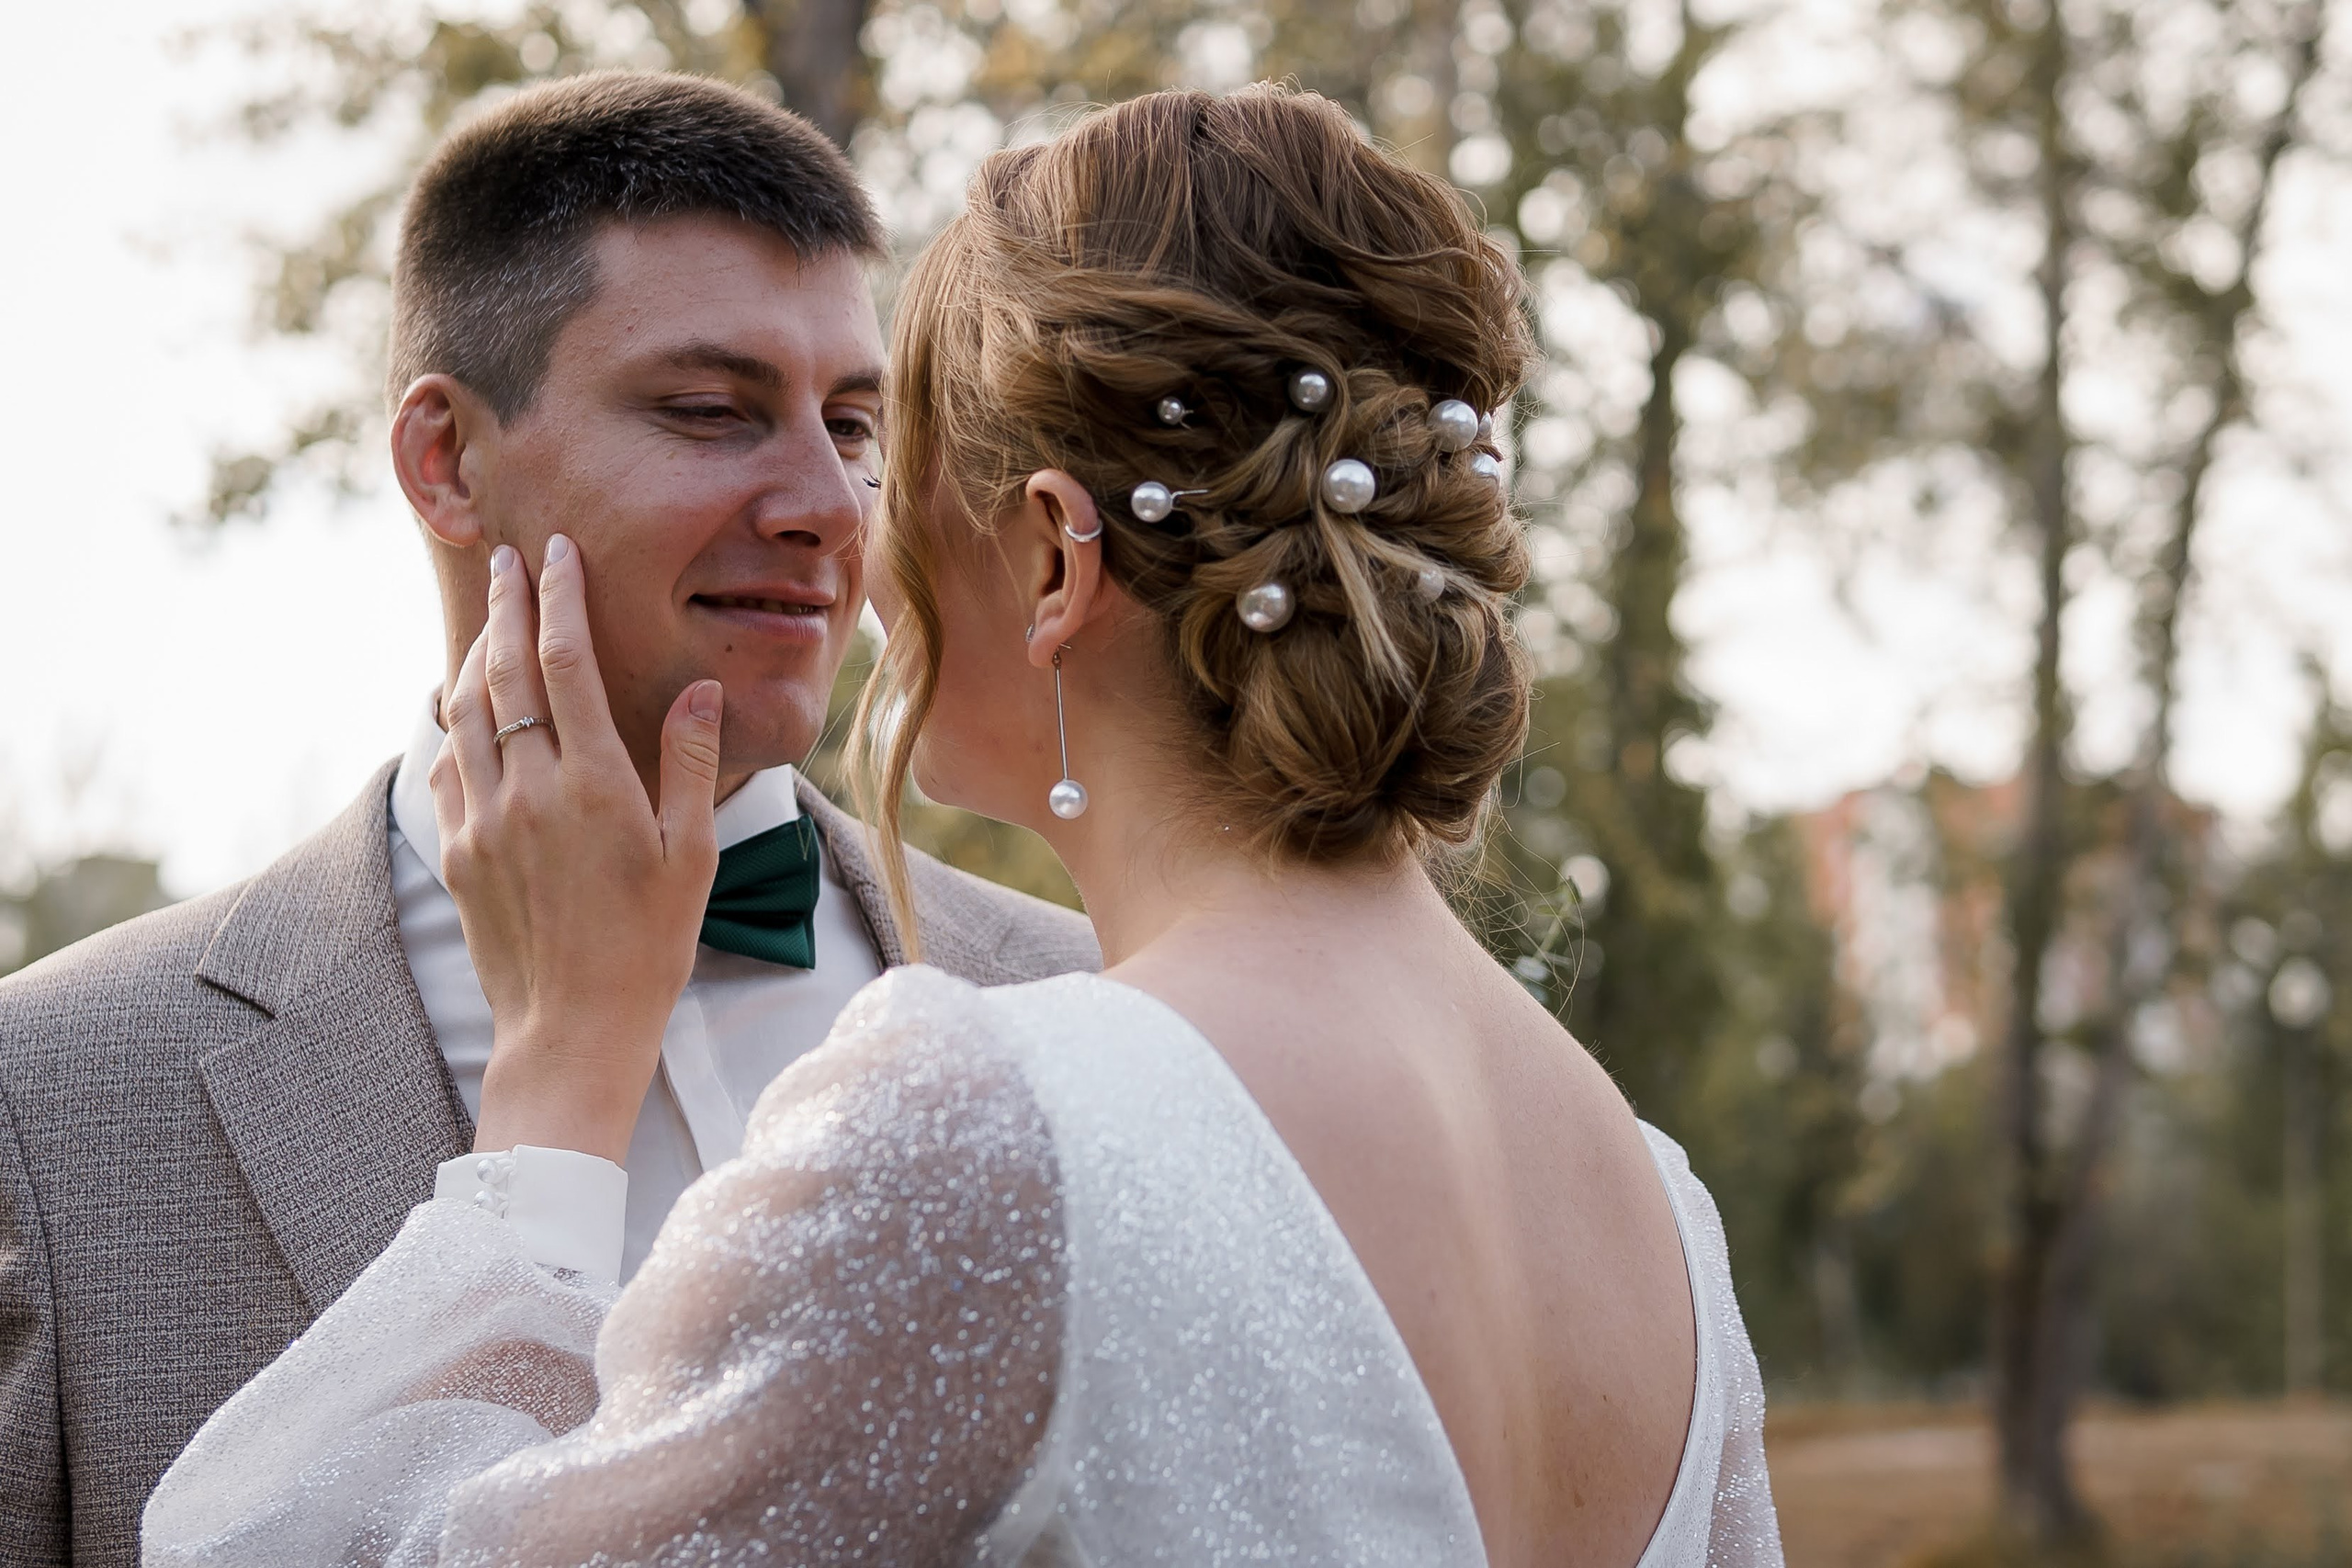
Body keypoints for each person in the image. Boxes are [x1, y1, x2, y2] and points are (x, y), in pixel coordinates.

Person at [143, 86, 1783, 1567]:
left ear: (1058, 565)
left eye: (880, 453)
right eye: (722, 414)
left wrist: (557, 1093)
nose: (843, 539)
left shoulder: (991, 1118)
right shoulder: (1658, 1210)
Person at [0, 73, 1096, 1566]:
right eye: (711, 412)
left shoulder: (1088, 1008)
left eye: (852, 424)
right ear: (445, 460)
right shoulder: (54, 1100)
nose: (831, 506)